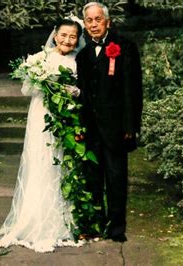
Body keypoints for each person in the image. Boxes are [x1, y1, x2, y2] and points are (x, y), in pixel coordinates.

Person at [0, 18, 86, 253]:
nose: (67, 40)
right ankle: (35, 216)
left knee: (63, 160)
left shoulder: (78, 62)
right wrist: (41, 81)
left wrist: (75, 91)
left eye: (73, 36)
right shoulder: (40, 59)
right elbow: (27, 88)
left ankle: (64, 217)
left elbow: (86, 89)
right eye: (63, 35)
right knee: (41, 160)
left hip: (67, 117)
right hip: (42, 114)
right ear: (55, 35)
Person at [76, 2, 143, 242]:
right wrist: (80, 125)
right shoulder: (83, 55)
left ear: (107, 22)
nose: (94, 24)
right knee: (93, 179)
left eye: (98, 19)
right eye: (89, 20)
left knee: (116, 179)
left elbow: (132, 89)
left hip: (116, 128)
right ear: (85, 24)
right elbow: (84, 92)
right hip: (91, 129)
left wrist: (130, 125)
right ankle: (96, 224)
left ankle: (117, 228)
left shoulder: (124, 47)